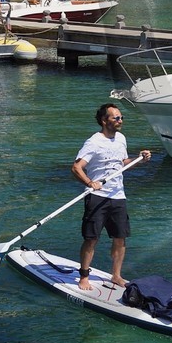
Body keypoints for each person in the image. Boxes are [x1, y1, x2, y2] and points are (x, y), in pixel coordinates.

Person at [71, 103, 152, 291]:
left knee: (120, 238)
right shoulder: (93, 142)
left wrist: (139, 159)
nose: (120, 120)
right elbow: (76, 167)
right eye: (116, 118)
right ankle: (84, 276)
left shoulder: (121, 139)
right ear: (104, 120)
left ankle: (116, 275)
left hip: (118, 195)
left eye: (121, 117)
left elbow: (122, 163)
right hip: (97, 196)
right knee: (91, 238)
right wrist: (90, 182)